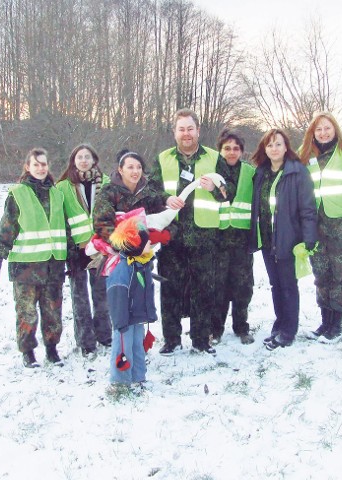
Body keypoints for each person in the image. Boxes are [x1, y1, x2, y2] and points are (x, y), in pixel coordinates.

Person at [148, 108, 235, 356]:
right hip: (172, 237)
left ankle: (200, 340)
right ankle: (172, 340)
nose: (186, 133)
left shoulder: (214, 157)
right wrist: (165, 199)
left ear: (198, 130)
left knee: (204, 289)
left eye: (190, 128)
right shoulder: (163, 159)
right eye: (181, 129)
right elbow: (150, 192)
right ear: (174, 132)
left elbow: (229, 191)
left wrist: (215, 188)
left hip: (205, 237)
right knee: (170, 289)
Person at [0, 148, 71, 368]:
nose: (41, 168)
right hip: (26, 267)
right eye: (36, 164)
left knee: (53, 311)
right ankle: (28, 352)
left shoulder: (56, 193)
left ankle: (52, 350)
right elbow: (8, 226)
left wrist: (72, 256)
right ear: (28, 167)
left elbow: (64, 227)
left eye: (44, 164)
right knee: (27, 312)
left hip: (53, 264)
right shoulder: (18, 193)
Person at [248, 129, 318, 350]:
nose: (274, 149)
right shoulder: (261, 173)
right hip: (268, 240)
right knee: (275, 285)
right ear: (264, 149)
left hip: (289, 240)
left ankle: (289, 330)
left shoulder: (298, 172)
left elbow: (308, 208)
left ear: (286, 147)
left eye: (278, 144)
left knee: (288, 285)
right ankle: (279, 324)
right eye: (269, 145)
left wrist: (308, 239)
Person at [298, 112, 342, 342]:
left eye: (327, 128)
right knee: (321, 273)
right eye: (318, 129)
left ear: (335, 129)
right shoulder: (305, 155)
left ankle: (337, 324)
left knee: (341, 273)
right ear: (312, 133)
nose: (323, 133)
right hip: (316, 224)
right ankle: (325, 321)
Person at [56, 144, 112, 358]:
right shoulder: (63, 187)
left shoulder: (106, 183)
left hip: (100, 248)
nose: (84, 160)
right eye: (80, 157)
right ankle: (85, 341)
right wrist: (69, 248)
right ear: (73, 160)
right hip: (77, 250)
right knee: (79, 297)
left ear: (94, 160)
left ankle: (105, 335)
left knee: (101, 295)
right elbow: (61, 220)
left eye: (88, 156)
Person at [211, 129, 255, 345]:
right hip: (218, 239)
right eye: (227, 148)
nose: (231, 152)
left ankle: (241, 327)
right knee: (218, 287)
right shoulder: (211, 173)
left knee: (242, 287)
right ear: (220, 150)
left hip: (241, 240)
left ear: (242, 151)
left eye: (236, 148)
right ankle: (216, 329)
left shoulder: (250, 172)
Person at [106, 215, 157, 387]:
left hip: (137, 317)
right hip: (125, 321)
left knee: (138, 348)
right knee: (123, 349)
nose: (150, 244)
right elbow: (118, 298)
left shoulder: (141, 265)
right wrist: (120, 322)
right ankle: (120, 382)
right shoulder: (122, 271)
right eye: (146, 242)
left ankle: (138, 377)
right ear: (136, 247)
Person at [93, 149, 169, 243]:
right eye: (130, 167)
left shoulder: (150, 192)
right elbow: (101, 223)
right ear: (120, 170)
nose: (135, 171)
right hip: (118, 250)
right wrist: (124, 243)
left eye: (139, 167)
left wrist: (166, 233)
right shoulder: (109, 192)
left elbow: (165, 217)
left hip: (149, 248)